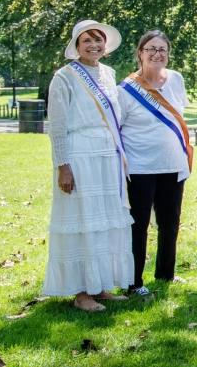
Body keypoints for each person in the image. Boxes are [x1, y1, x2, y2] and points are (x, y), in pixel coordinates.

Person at [43, 19, 133, 312]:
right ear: (76, 46)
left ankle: (101, 285)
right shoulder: (64, 76)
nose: (94, 45)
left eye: (98, 40)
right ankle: (82, 292)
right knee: (84, 219)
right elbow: (57, 126)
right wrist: (63, 165)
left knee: (105, 220)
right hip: (80, 155)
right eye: (87, 41)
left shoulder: (108, 73)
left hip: (108, 156)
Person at [118, 30, 192, 296]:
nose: (157, 54)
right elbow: (118, 129)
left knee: (170, 222)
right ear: (140, 53)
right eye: (151, 49)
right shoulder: (125, 90)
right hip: (139, 167)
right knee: (138, 226)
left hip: (172, 164)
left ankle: (165, 274)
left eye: (162, 49)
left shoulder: (176, 80)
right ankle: (133, 281)